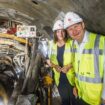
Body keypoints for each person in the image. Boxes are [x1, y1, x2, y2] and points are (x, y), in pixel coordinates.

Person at [64, 11, 105, 105]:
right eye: (70, 29)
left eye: (76, 26)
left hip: (97, 100)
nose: (74, 31)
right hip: (81, 95)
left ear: (83, 24)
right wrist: (75, 86)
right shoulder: (74, 45)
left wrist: (104, 97)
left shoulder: (101, 41)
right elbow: (79, 69)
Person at [46, 20, 76, 105]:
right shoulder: (51, 44)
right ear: (55, 33)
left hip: (72, 79)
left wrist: (69, 66)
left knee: (74, 101)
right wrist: (55, 66)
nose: (60, 34)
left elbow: (78, 59)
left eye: (62, 31)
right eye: (58, 31)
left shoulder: (72, 43)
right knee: (65, 101)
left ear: (66, 32)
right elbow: (47, 59)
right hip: (60, 80)